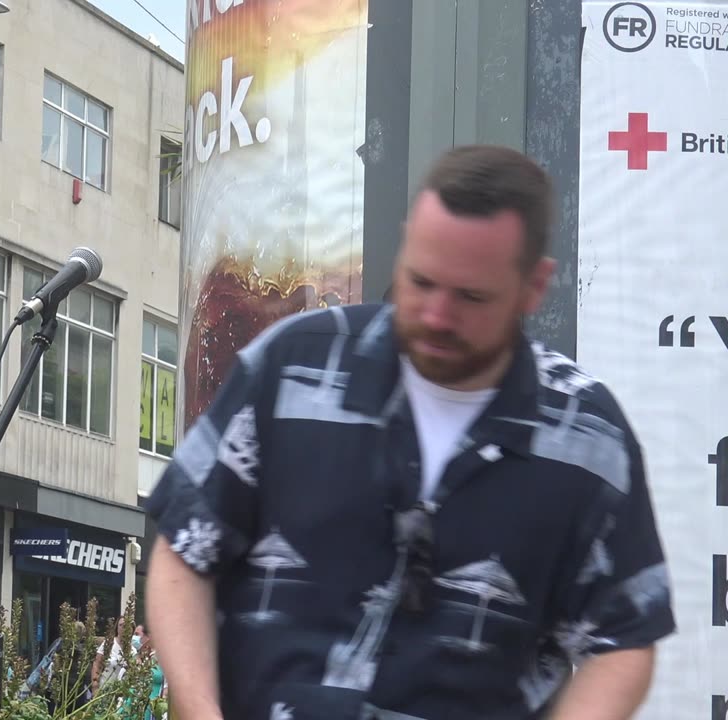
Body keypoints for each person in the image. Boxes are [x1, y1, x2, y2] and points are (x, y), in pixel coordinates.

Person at [144, 145, 676, 720]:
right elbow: (185, 554)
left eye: (471, 296)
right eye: (421, 281)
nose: (436, 315)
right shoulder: (291, 367)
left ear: (534, 286)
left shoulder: (588, 438)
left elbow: (622, 638)